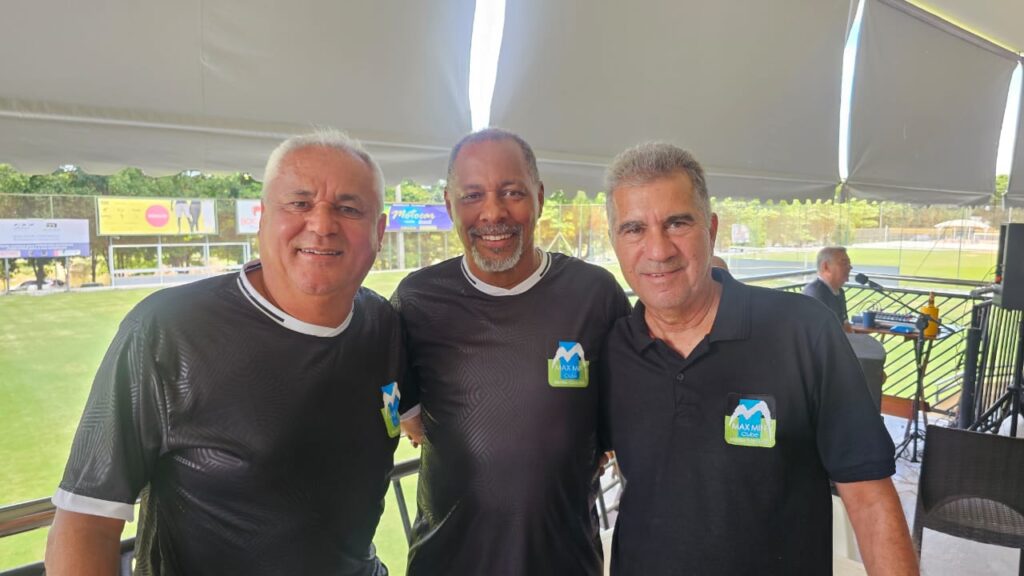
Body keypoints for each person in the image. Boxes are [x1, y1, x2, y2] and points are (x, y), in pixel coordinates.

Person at [46, 130, 402, 576]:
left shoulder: (383, 324)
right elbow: (85, 522)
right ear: (263, 218)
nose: (322, 223)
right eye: (299, 203)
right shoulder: (167, 329)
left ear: (379, 232)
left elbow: (420, 419)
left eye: (349, 209)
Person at [601, 142, 917, 575]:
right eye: (634, 229)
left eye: (677, 223)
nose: (658, 250)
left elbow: (869, 497)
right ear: (615, 242)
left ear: (711, 229)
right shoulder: (611, 348)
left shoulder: (804, 331)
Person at [392, 128, 629, 576]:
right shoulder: (417, 301)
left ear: (539, 198)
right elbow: (412, 421)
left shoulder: (595, 295)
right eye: (472, 195)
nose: (493, 212)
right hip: (447, 564)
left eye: (512, 192)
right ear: (449, 205)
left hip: (566, 563)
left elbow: (617, 424)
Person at [803, 246, 853, 330]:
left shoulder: (839, 291)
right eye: (844, 263)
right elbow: (819, 331)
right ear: (826, 266)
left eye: (849, 263)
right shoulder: (815, 293)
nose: (850, 267)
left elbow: (845, 324)